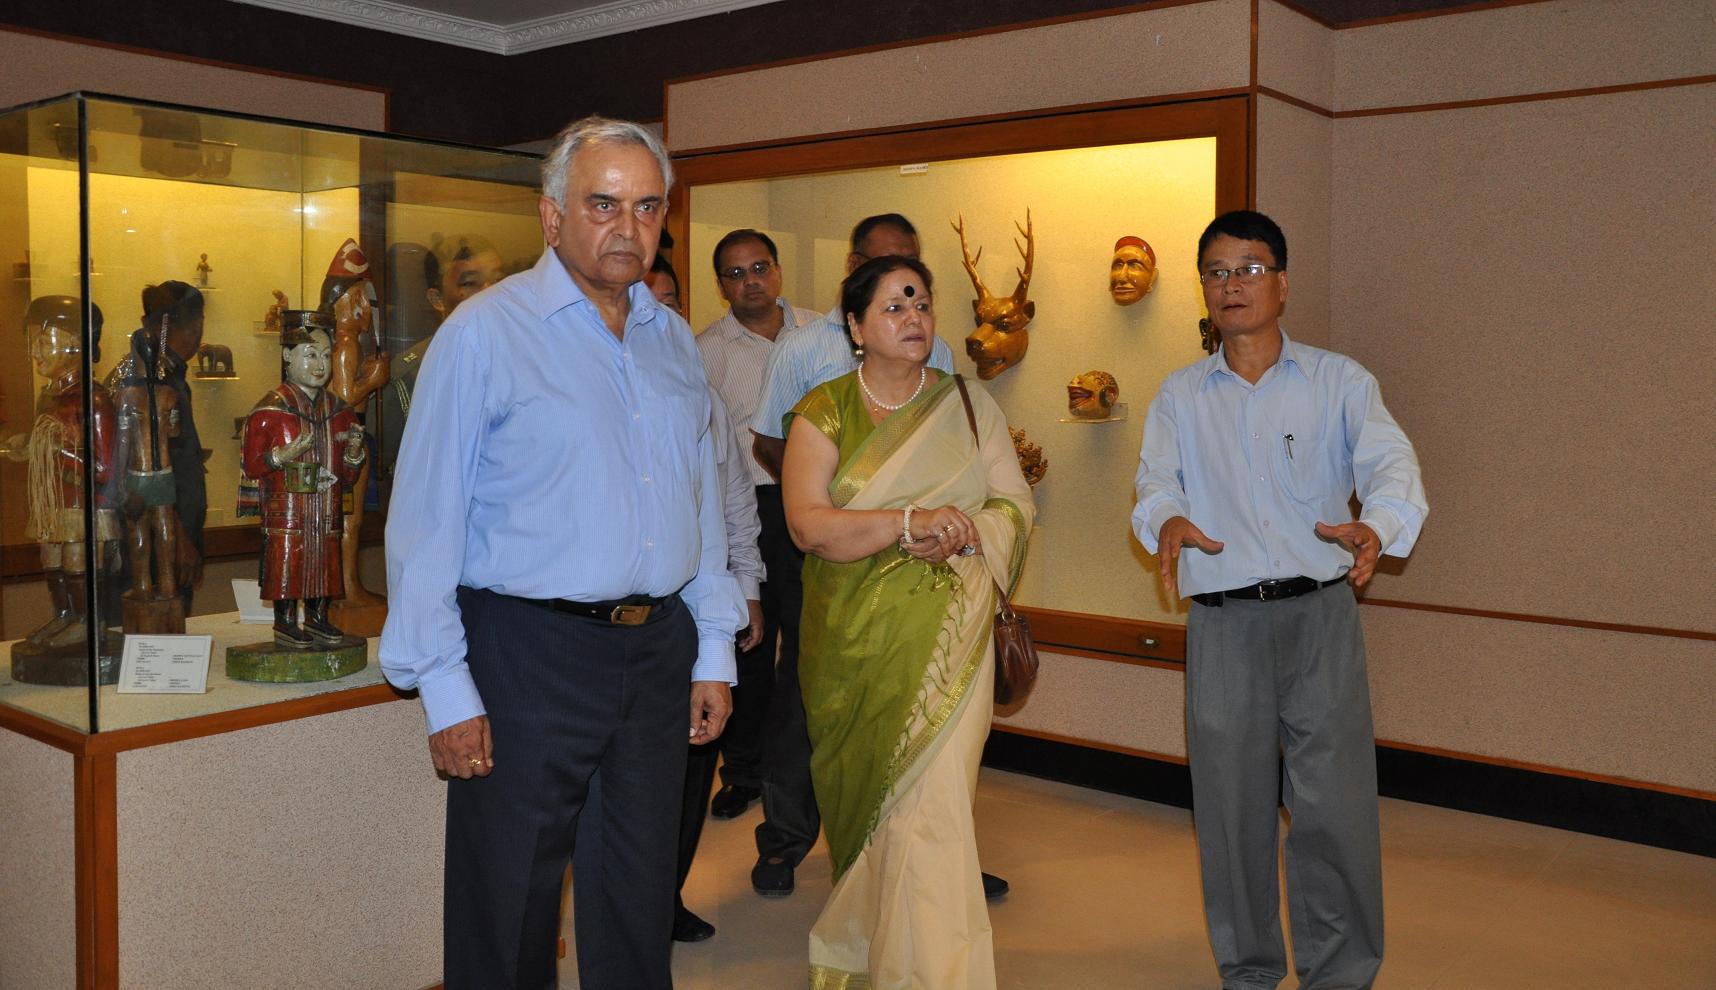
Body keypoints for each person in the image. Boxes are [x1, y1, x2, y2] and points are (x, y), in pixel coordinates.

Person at [379, 116, 744, 990]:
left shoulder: (670, 341)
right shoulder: (484, 334)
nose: (629, 228)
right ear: (552, 218)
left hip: (655, 649)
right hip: (525, 651)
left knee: (637, 891)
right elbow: (424, 519)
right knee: (507, 905)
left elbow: (701, 509)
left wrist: (714, 648)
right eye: (603, 205)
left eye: (648, 207)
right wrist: (445, 688)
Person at [1132, 210, 1428, 990]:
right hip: (1223, 624)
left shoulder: (1339, 381)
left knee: (1334, 810)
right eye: (1218, 271)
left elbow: (1395, 467)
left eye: (1250, 268)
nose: (1234, 285)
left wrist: (1379, 525)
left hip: (1319, 615)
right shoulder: (1180, 395)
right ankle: (1250, 971)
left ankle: (1341, 974)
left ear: (1283, 283)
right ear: (1204, 288)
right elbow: (1155, 484)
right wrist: (1165, 519)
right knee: (1230, 813)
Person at [782, 255, 1033, 988]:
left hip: (953, 634)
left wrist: (966, 532)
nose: (913, 318)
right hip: (853, 639)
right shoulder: (823, 410)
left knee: (937, 808)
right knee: (877, 809)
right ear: (856, 328)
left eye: (919, 302)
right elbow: (808, 525)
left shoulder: (966, 402)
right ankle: (866, 950)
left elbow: (1014, 505)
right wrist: (907, 521)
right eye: (892, 307)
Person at [746, 212, 974, 900]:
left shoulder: (944, 368)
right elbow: (768, 440)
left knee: (930, 709)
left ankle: (935, 851)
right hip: (826, 554)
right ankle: (786, 839)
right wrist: (844, 488)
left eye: (916, 282)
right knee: (804, 696)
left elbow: (964, 462)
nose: (906, 301)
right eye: (884, 275)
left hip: (928, 572)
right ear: (852, 273)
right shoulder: (805, 353)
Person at [695, 228, 820, 821]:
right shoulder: (705, 350)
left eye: (759, 268)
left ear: (778, 270)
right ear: (721, 285)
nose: (750, 282)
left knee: (806, 643)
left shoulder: (826, 333)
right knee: (747, 641)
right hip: (748, 511)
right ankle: (742, 772)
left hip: (818, 508)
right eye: (735, 273)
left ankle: (796, 771)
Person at [672, 381, 766, 943]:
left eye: (663, 300)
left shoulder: (702, 396)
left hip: (700, 608)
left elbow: (734, 502)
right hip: (622, 613)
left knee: (692, 761)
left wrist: (748, 586)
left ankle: (667, 894)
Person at [239, 311, 366, 647]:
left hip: (325, 507)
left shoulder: (340, 412)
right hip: (288, 508)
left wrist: (353, 452)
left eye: (326, 356)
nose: (320, 365)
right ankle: (284, 621)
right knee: (287, 560)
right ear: (287, 356)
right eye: (311, 355)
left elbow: (348, 478)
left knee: (325, 558)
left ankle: (318, 616)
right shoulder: (269, 412)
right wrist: (282, 455)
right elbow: (252, 466)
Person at [109, 281, 207, 617]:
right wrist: (180, 538)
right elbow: (136, 465)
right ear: (193, 327)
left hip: (156, 521)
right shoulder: (155, 382)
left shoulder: (159, 375)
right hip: (155, 526)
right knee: (159, 615)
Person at [379, 234, 503, 474]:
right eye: (470, 283)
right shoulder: (407, 381)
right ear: (437, 299)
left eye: (496, 281)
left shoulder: (524, 363)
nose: (488, 291)